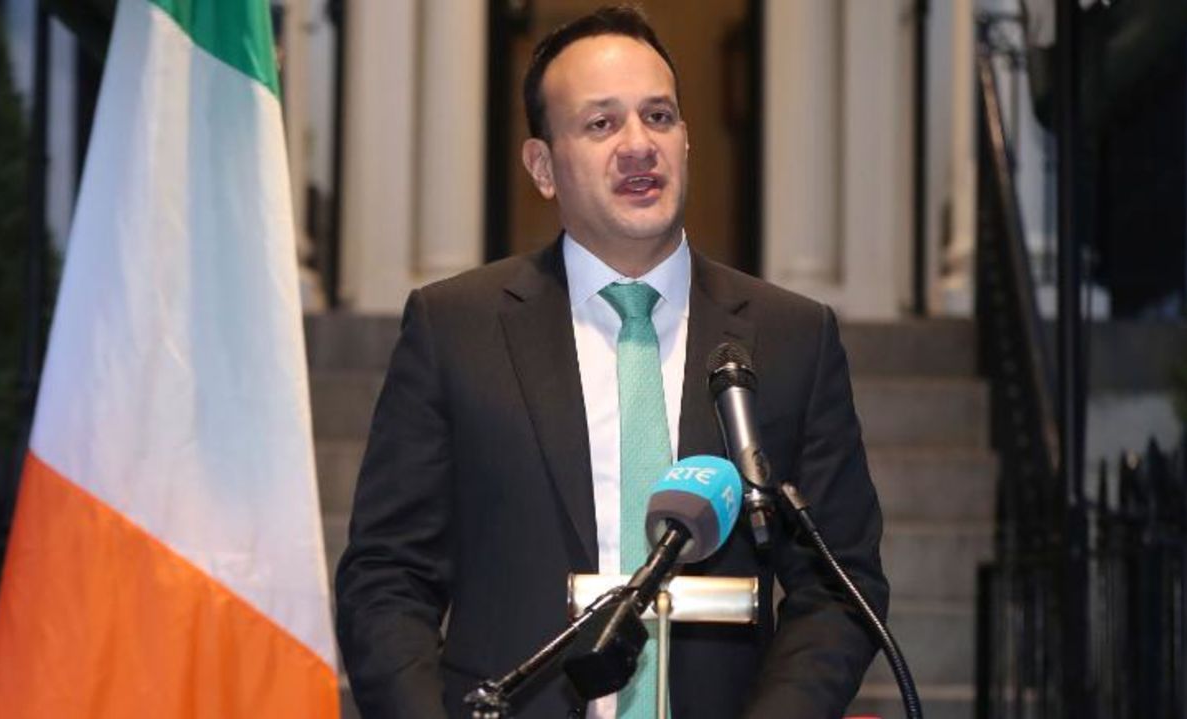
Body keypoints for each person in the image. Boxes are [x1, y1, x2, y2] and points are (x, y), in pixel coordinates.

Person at [335, 7, 888, 718]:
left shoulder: (790, 338)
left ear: (687, 141)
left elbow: (839, 587)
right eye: (601, 124)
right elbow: (386, 577)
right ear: (542, 165)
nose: (638, 146)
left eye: (659, 117)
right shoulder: (456, 330)